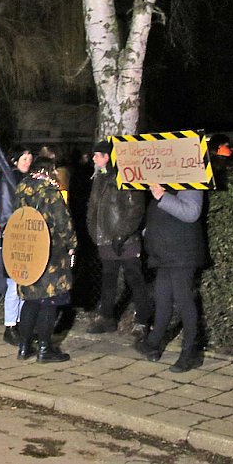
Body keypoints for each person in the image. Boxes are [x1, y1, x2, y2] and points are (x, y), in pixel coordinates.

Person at [135, 185, 207, 373]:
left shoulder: (190, 179)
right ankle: (152, 343)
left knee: (184, 300)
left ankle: (190, 353)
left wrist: (162, 196)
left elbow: (191, 212)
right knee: (162, 297)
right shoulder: (165, 181)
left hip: (181, 254)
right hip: (165, 254)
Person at [14, 157, 77, 362]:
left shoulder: (22, 188)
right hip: (51, 254)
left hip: (27, 249)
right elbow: (63, 222)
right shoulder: (50, 192)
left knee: (30, 300)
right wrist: (72, 244)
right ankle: (44, 349)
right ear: (48, 171)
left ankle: (24, 347)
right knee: (49, 301)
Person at [86, 140, 151, 337]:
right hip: (105, 239)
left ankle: (142, 320)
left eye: (97, 155)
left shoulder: (125, 176)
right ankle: (106, 318)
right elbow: (94, 207)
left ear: (107, 157)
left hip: (126, 241)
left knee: (135, 279)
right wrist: (93, 229)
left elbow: (136, 208)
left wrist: (122, 234)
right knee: (108, 280)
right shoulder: (99, 178)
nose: (94, 159)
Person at [3, 147, 32, 346]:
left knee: (25, 282)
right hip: (14, 235)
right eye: (24, 158)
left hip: (27, 236)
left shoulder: (29, 180)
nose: (27, 161)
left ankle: (20, 322)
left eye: (30, 158)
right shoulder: (10, 181)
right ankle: (10, 325)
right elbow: (7, 208)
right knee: (14, 284)